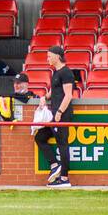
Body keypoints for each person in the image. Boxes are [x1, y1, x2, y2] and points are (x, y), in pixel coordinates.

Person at [38, 46, 75, 187]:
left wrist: (59, 113)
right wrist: (44, 97)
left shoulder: (66, 73)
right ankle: (55, 165)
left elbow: (68, 95)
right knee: (40, 137)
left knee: (62, 144)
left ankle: (64, 178)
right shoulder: (56, 72)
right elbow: (54, 91)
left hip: (62, 115)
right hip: (54, 115)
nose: (47, 58)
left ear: (57, 56)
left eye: (49, 56)